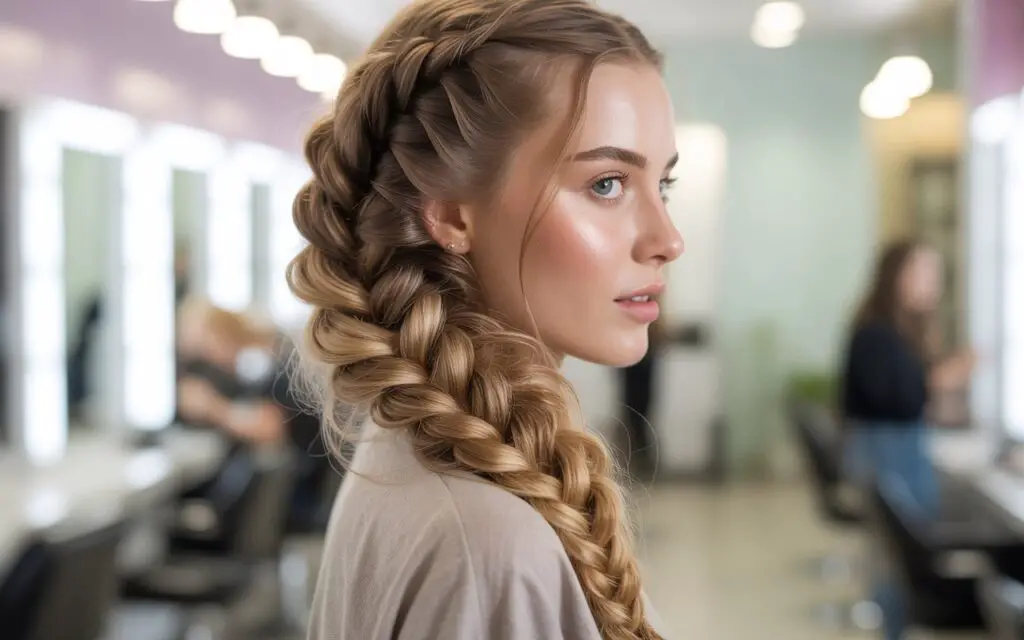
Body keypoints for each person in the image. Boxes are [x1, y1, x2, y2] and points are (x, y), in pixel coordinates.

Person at [288, 1, 683, 638]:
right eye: (607, 183)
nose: (667, 238)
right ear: (449, 214)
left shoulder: (418, 462)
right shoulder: (489, 542)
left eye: (662, 186)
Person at [840, 239, 975, 640]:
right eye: (924, 271)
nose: (934, 281)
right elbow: (893, 398)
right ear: (896, 276)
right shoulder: (877, 333)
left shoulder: (901, 329)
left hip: (895, 448)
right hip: (886, 452)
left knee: (896, 560)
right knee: (896, 560)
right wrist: (940, 380)